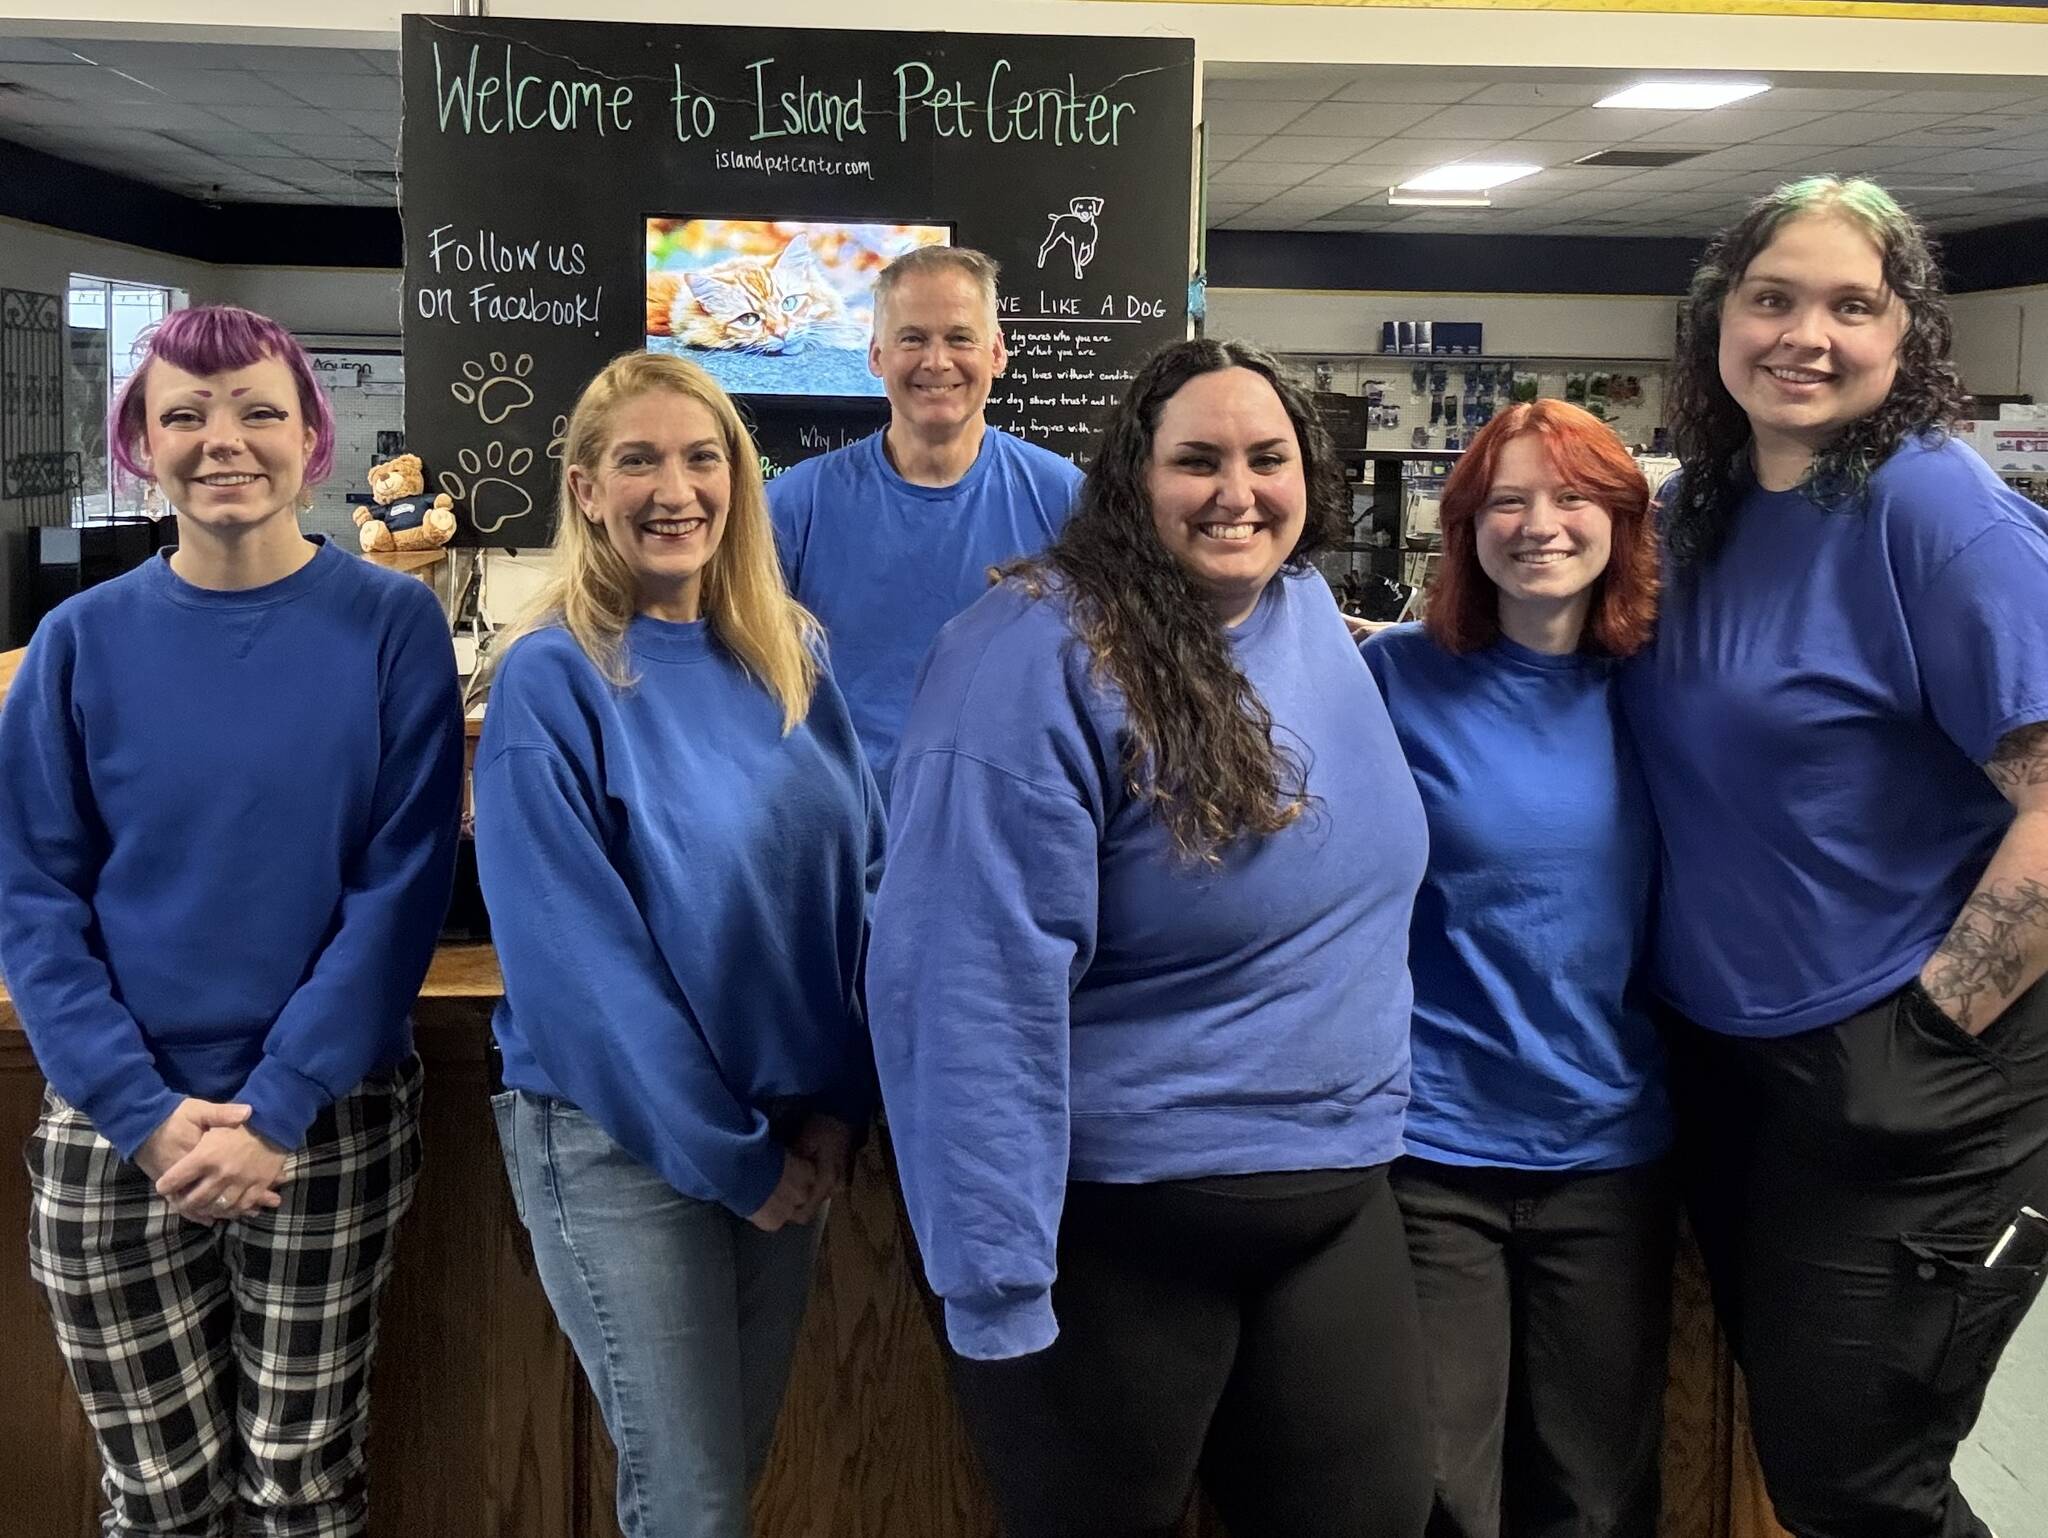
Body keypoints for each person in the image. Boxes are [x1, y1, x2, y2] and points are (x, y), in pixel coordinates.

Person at [869, 337, 1434, 1538]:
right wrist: (996, 1285)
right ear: (1131, 479)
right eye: (1197, 460)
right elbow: (961, 986)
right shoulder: (1029, 652)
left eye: (1267, 458)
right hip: (1120, 1230)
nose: (1238, 492)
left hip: (1335, 1198)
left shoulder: (1312, 620)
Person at [1620, 176, 2048, 1538]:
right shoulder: (1699, 507)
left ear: (1906, 333)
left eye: (1851, 304)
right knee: (1786, 1440)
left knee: (1859, 1482)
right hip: (1732, 1069)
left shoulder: (1935, 511)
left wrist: (1927, 1033)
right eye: (1772, 298)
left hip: (1906, 1072)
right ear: (1717, 321)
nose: (1806, 334)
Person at [0, 305, 463, 1536]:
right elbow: (36, 899)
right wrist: (144, 1115)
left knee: (301, 1484)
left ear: (311, 436)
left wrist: (279, 1103)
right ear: (138, 443)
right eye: (185, 414)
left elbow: (400, 882)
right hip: (115, 1122)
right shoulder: (73, 644)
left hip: (325, 1116)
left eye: (259, 410)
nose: (224, 441)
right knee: (153, 1496)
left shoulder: (391, 624)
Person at [471, 351, 883, 1538]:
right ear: (587, 488)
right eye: (638, 458)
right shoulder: (556, 678)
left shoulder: (788, 652)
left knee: (719, 1486)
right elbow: (578, 970)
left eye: (704, 457)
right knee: (693, 1506)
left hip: (786, 1131)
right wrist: (736, 1159)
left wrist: (835, 1104)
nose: (676, 486)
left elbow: (857, 877)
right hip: (622, 1145)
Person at [1361, 400, 1672, 1538]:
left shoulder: (1662, 688)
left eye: (1571, 497)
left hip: (1608, 1149)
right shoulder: (1392, 677)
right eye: (1505, 499)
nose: (1538, 524)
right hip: (1431, 1151)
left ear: (1620, 522)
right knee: (1441, 1491)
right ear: (1464, 527)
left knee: (1593, 1496)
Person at [766, 244, 1081, 793]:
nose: (937, 361)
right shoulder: (794, 508)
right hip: (849, 849)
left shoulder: (1064, 501)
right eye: (912, 339)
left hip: (1007, 835)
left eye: (960, 338)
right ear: (876, 355)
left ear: (997, 353)